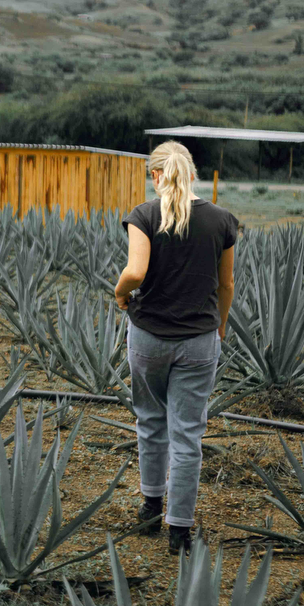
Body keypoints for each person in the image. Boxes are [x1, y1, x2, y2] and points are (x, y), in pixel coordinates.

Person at [113, 141, 237, 555]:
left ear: (155, 175)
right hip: (199, 342)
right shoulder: (221, 220)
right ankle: (179, 532)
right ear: (193, 173)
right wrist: (218, 326)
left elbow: (135, 272)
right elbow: (226, 285)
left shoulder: (144, 215)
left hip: (149, 338)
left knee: (150, 420)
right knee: (188, 435)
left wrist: (120, 293)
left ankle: (150, 506)